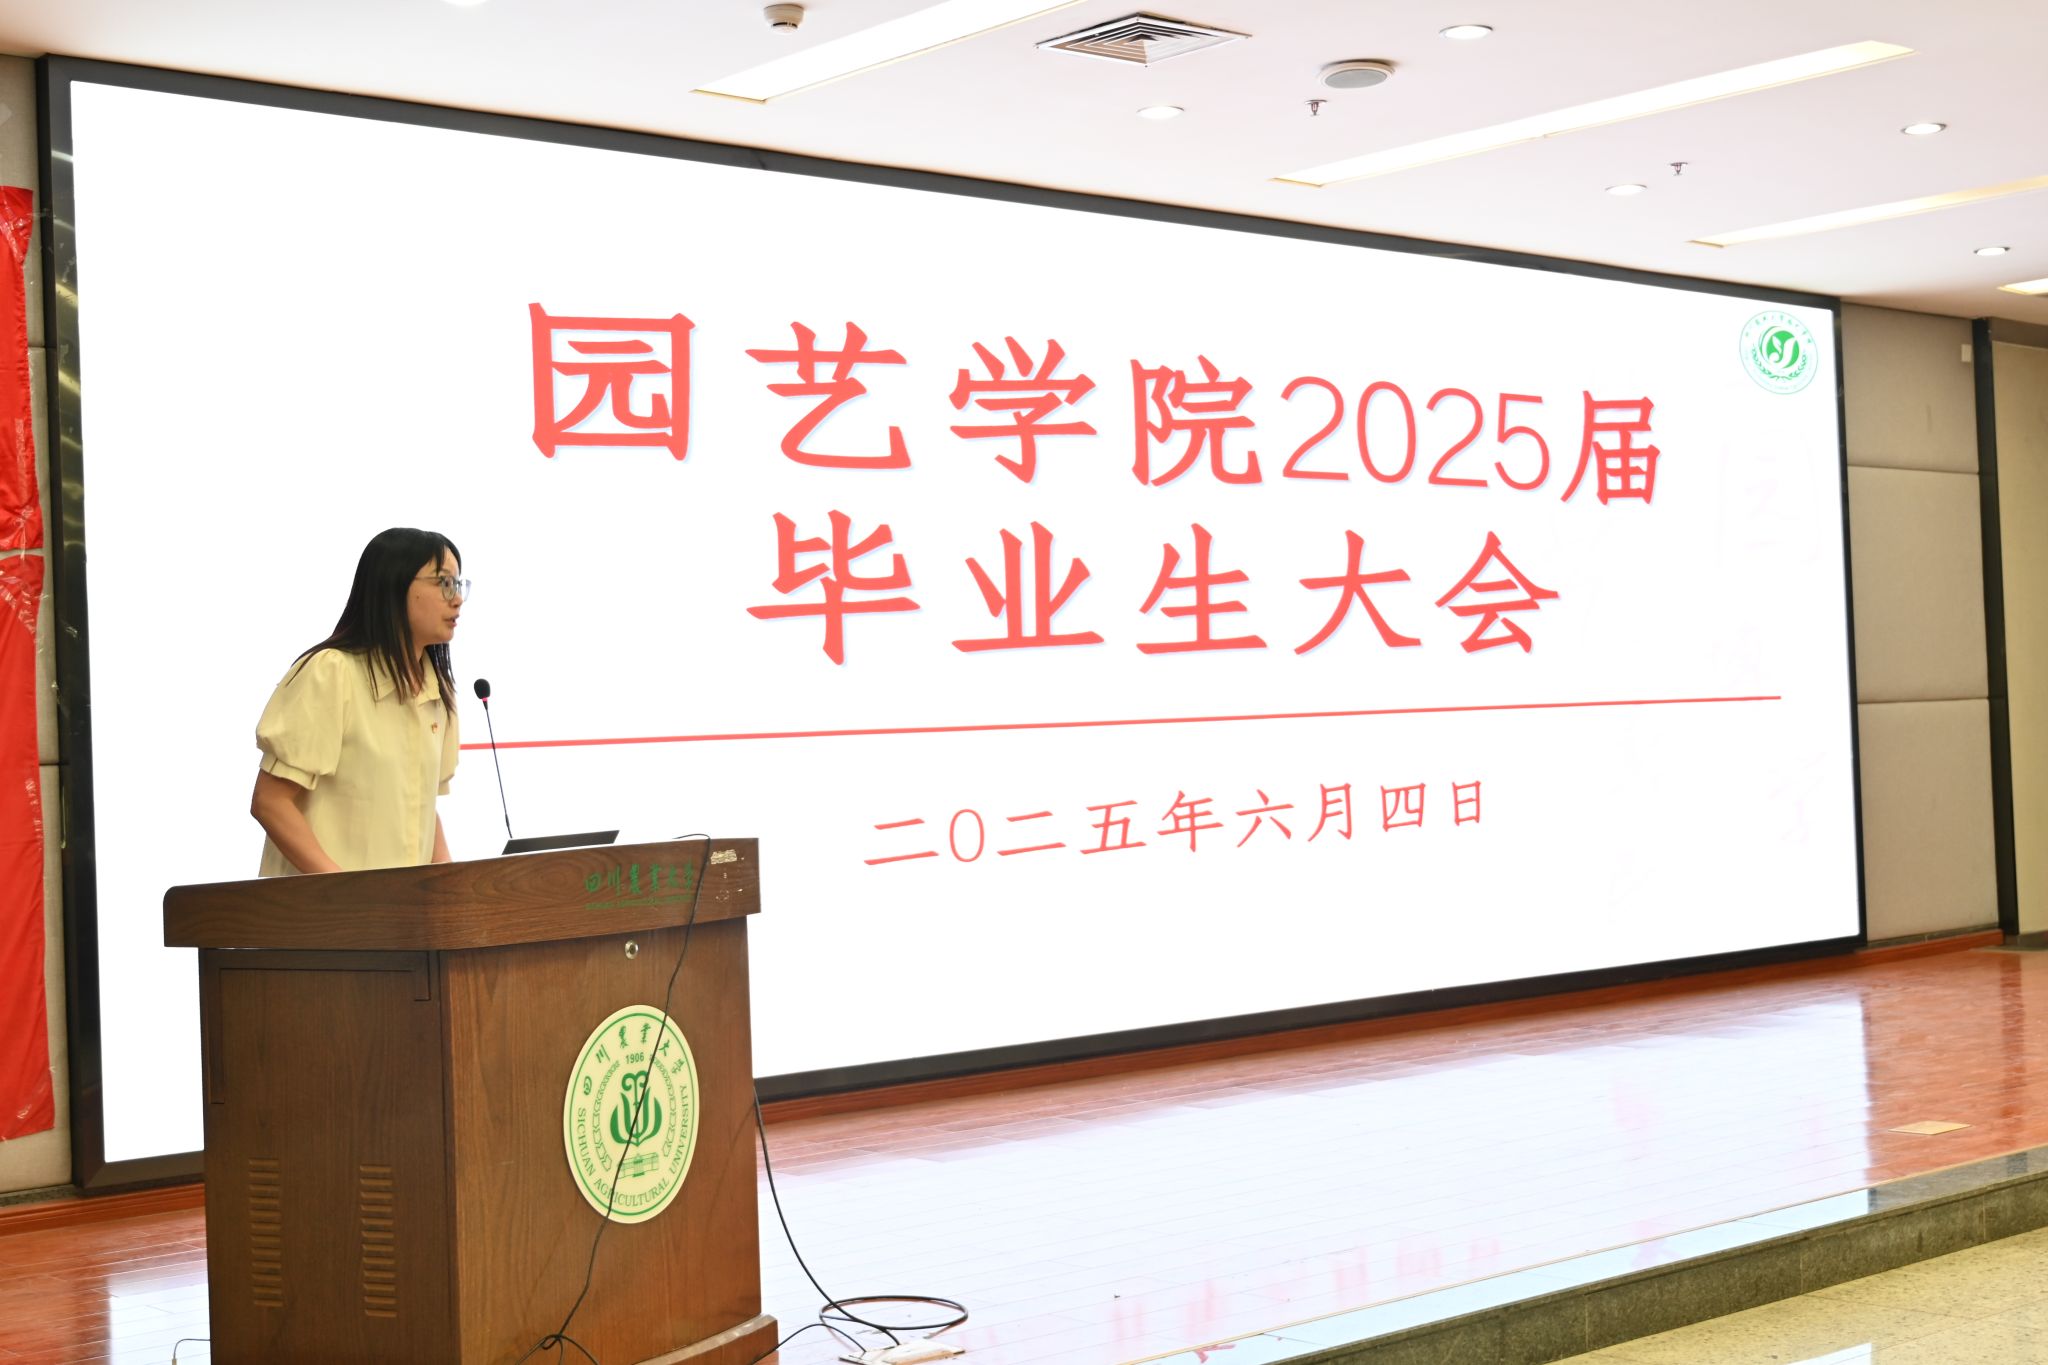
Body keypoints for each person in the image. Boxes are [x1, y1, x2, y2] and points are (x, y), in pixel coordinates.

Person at [249, 528, 467, 876]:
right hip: (325, 905)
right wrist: (347, 891)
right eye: (443, 583)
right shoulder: (331, 673)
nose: (456, 599)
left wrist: (451, 887)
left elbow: (423, 811)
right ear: (394, 585)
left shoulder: (437, 691)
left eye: (458, 584)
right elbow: (271, 801)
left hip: (397, 907)